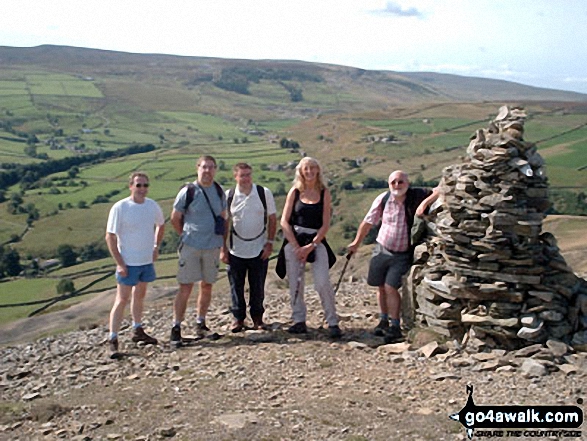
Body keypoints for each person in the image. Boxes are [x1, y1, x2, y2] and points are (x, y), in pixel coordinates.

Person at [347, 170, 439, 343]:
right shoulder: (383, 199)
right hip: (382, 249)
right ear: (389, 185)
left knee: (390, 287)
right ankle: (383, 320)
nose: (397, 185)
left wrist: (424, 204)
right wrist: (356, 243)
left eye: (401, 182)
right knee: (380, 286)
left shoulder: (416, 194)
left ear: (407, 183)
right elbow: (368, 222)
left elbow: (441, 188)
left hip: (402, 253)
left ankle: (395, 325)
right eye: (393, 182)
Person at [278, 157, 341, 339]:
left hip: (317, 241)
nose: (310, 171)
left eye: (313, 168)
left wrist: (311, 246)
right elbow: (284, 221)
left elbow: (325, 224)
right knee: (295, 283)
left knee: (322, 282)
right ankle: (299, 320)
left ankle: (333, 321)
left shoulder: (324, 193)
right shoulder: (295, 192)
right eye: (306, 168)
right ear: (301, 171)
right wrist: (297, 247)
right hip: (294, 240)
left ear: (318, 170)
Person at [105, 171, 165, 359]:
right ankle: (113, 339)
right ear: (130, 186)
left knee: (139, 296)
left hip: (145, 261)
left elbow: (161, 225)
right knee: (121, 299)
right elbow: (110, 236)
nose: (142, 189)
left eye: (145, 185)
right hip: (128, 262)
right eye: (138, 185)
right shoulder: (120, 207)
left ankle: (137, 330)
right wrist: (120, 262)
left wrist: (155, 246)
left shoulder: (152, 206)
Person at [169, 155, 227, 346]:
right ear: (197, 168)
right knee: (185, 287)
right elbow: (175, 218)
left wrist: (222, 245)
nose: (208, 171)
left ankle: (200, 323)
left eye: (211, 167)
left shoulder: (219, 192)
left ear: (215, 169)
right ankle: (176, 327)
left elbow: (224, 219)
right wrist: (186, 235)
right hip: (191, 246)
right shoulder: (189, 191)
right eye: (204, 167)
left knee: (207, 285)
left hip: (212, 246)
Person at [221, 163, 277, 332]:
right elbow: (224, 223)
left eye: (248, 175)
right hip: (235, 249)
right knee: (236, 286)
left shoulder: (263, 193)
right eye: (242, 175)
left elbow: (273, 219)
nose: (246, 178)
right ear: (235, 177)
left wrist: (270, 243)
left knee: (258, 286)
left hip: (259, 248)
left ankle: (258, 319)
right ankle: (238, 319)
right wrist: (223, 248)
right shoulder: (229, 196)